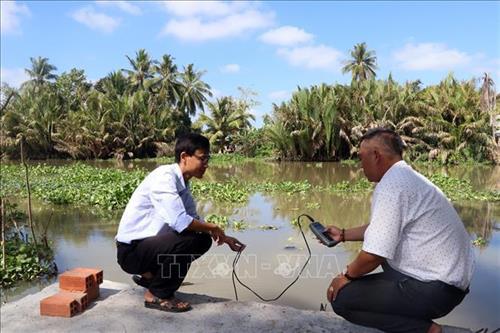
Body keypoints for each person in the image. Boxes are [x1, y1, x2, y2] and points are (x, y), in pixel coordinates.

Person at [324, 128, 474, 333]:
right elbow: (382, 230)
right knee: (386, 252)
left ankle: (425, 329)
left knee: (341, 298)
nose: (360, 165)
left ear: (376, 156)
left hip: (435, 289)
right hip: (448, 286)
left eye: (361, 158)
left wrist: (345, 277)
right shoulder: (406, 176)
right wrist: (342, 234)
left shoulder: (392, 186)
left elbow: (373, 255)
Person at [115, 133, 245, 312]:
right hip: (131, 252)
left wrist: (224, 237)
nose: (206, 164)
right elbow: (181, 222)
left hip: (147, 248)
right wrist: (213, 227)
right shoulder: (164, 177)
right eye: (202, 158)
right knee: (196, 240)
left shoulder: (182, 183)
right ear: (184, 157)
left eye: (208, 159)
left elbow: (194, 218)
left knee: (200, 236)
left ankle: (152, 278)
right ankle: (157, 294)